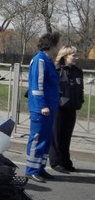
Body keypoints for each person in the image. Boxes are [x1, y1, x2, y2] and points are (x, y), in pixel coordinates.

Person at [25, 31, 61, 183]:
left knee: (45, 139)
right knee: (37, 138)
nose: (59, 46)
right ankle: (31, 170)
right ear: (51, 45)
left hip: (50, 107)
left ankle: (40, 168)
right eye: (57, 44)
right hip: (42, 108)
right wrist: (42, 106)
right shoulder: (39, 60)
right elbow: (36, 86)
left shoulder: (47, 59)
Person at [49, 46, 84, 173]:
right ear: (65, 56)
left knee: (66, 136)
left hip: (72, 108)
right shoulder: (56, 70)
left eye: (76, 55)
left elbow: (80, 89)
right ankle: (56, 162)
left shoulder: (78, 71)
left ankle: (65, 161)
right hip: (58, 108)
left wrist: (80, 101)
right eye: (73, 55)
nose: (76, 58)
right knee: (56, 136)